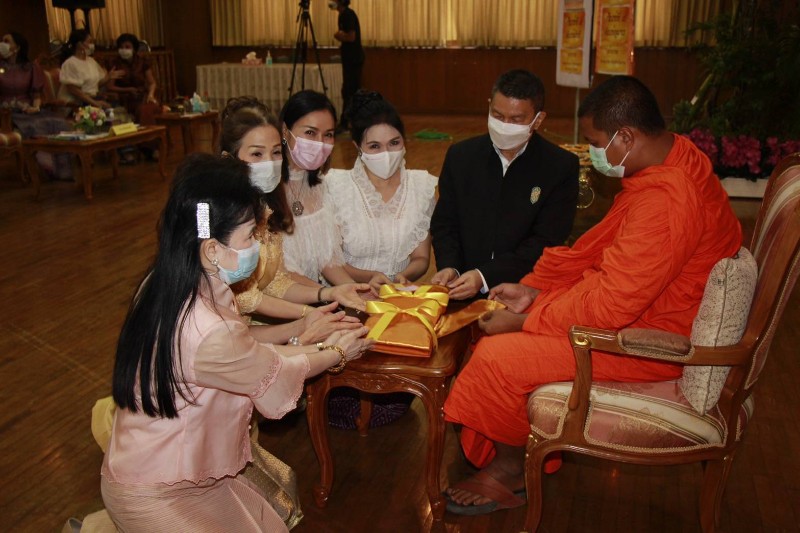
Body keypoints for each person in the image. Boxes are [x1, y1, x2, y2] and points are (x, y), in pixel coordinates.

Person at [442, 75, 743, 515]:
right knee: (505, 325)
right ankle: (517, 444)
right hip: (638, 310)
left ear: (627, 137)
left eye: (596, 143)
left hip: (651, 341)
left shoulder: (666, 201)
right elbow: (609, 263)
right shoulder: (677, 156)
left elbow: (612, 307)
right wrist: (535, 291)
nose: (592, 152)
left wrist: (528, 318)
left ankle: (511, 470)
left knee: (496, 355)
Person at [100, 153, 374, 531]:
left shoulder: (175, 282)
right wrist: (337, 351)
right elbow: (270, 371)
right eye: (249, 236)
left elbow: (247, 354)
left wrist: (308, 339)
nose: (257, 245)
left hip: (185, 469)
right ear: (212, 249)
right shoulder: (206, 324)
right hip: (161, 488)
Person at [219, 95, 367, 329]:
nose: (269, 163)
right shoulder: (216, 212)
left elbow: (276, 282)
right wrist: (311, 314)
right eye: (257, 154)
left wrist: (329, 296)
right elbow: (244, 297)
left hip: (253, 328)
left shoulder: (267, 206)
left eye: (276, 153)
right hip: (223, 331)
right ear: (228, 158)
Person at [430, 69, 580, 300]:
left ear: (538, 119)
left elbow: (546, 240)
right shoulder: (461, 156)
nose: (504, 125)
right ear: (489, 106)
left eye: (516, 119)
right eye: (498, 115)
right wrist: (451, 267)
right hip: (462, 288)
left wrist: (484, 276)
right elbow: (445, 223)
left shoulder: (559, 166)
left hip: (524, 291)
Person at [326, 90, 437, 295]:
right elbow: (329, 262)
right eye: (374, 146)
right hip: (345, 294)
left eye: (394, 143)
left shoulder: (421, 187)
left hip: (399, 295)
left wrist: (401, 277)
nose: (386, 153)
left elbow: (421, 258)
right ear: (357, 147)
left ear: (404, 141)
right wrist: (370, 277)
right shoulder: (335, 187)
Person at [279, 90, 358, 288]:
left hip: (315, 297)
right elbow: (276, 274)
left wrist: (354, 291)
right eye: (310, 133)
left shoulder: (322, 186)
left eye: (328, 135)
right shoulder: (266, 188)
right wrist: (325, 295)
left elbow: (327, 258)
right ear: (285, 131)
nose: (320, 143)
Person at [0, 31, 72, 180]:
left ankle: (63, 170)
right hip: (7, 112)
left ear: (17, 47)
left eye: (7, 41)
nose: (2, 44)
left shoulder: (31, 67)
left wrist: (35, 107)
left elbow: (36, 94)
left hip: (28, 109)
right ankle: (47, 166)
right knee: (34, 126)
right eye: (2, 41)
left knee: (58, 122)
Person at [58, 29, 123, 108]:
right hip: (75, 104)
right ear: (80, 44)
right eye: (90, 42)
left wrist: (108, 77)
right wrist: (95, 103)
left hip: (91, 100)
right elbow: (74, 90)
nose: (92, 45)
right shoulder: (70, 63)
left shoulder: (91, 61)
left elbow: (95, 84)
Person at [105, 33, 158, 120]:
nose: (124, 50)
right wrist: (128, 89)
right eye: (121, 47)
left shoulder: (142, 62)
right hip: (124, 99)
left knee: (147, 108)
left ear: (134, 49)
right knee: (141, 110)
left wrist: (151, 94)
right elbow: (110, 86)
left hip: (143, 96)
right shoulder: (115, 63)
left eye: (127, 47)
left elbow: (152, 83)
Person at [329, 0, 364, 131]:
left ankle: (347, 122)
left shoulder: (347, 15)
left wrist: (338, 36)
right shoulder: (343, 15)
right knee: (349, 90)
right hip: (349, 58)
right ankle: (352, 121)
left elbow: (351, 37)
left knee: (350, 90)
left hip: (353, 58)